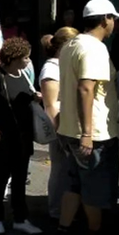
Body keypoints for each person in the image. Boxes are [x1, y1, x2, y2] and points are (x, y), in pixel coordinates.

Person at [48, 0, 119, 235]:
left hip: (70, 129)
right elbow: (85, 88)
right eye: (113, 19)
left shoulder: (71, 45)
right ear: (105, 19)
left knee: (75, 185)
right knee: (95, 190)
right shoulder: (95, 48)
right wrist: (87, 134)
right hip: (94, 134)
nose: (114, 24)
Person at [0, 38, 43, 235]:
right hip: (4, 136)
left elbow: (26, 98)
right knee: (1, 178)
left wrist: (35, 97)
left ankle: (20, 218)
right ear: (14, 58)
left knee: (20, 178)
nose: (28, 61)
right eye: (25, 57)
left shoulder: (24, 75)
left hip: (24, 135)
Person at [40, 26, 80, 219]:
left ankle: (66, 209)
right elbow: (50, 106)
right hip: (60, 128)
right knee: (61, 170)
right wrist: (59, 132)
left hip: (70, 126)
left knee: (69, 170)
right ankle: (56, 210)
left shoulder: (65, 65)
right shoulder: (51, 69)